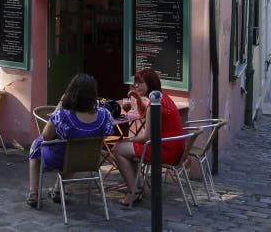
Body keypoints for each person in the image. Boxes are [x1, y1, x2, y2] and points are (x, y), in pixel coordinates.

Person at [26, 73, 114, 207]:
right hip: (88, 160)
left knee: (37, 144)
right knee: (77, 149)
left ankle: (33, 192)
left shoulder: (63, 115)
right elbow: (107, 134)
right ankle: (57, 190)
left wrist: (61, 103)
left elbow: (46, 136)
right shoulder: (105, 115)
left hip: (59, 158)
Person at [114, 68, 185, 206]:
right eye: (135, 83)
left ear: (150, 84)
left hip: (165, 151)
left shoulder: (155, 105)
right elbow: (144, 115)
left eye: (140, 83)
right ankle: (137, 187)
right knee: (127, 149)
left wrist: (127, 139)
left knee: (119, 149)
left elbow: (146, 137)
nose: (136, 86)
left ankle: (133, 191)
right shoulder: (161, 97)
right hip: (174, 147)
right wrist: (138, 98)